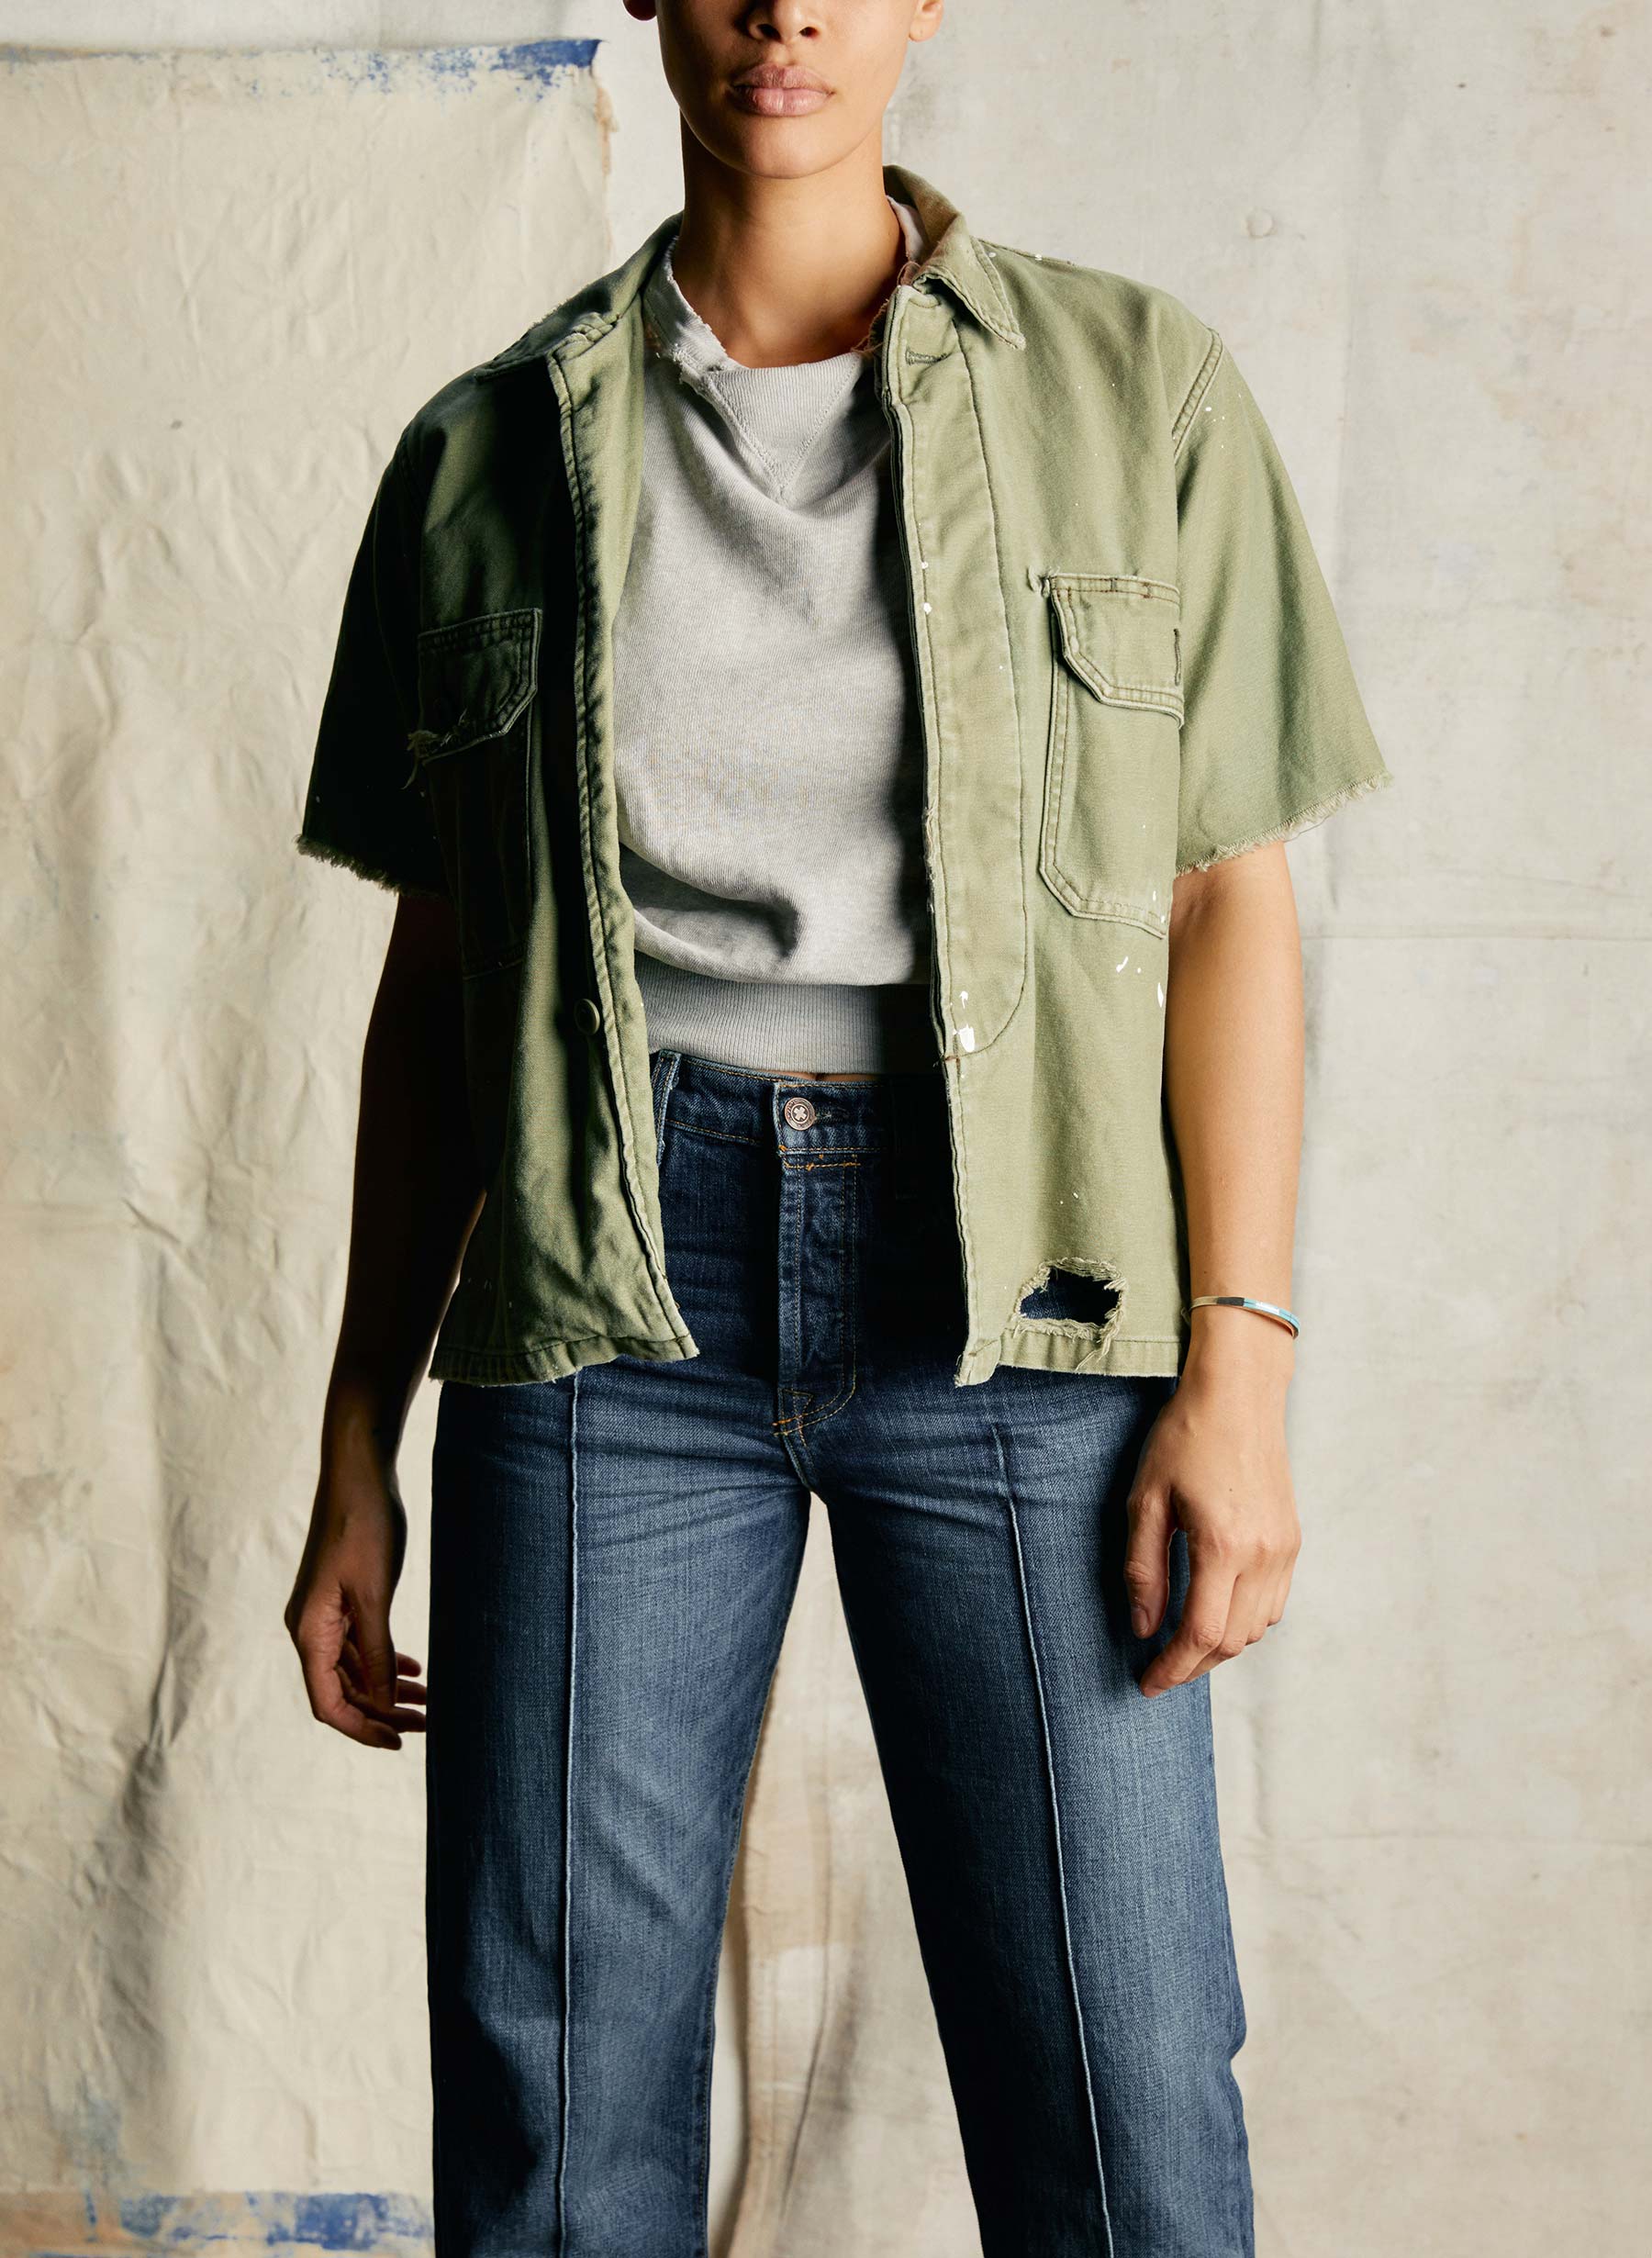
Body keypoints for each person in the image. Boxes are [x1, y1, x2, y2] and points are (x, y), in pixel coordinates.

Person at [284, 3, 1392, 2252]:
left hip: (1031, 1294)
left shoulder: (1137, 389)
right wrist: (353, 1438)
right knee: (555, 2098)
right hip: (607, 1291)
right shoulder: (487, 449)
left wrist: (1242, 1368)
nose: (786, 10)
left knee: (1123, 2090)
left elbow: (1225, 902)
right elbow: (443, 980)